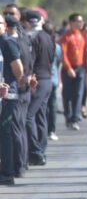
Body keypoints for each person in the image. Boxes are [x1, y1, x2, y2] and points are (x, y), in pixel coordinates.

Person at [24, 10, 54, 167]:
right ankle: (41, 151)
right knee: (41, 116)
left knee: (28, 116)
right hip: (47, 79)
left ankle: (36, 152)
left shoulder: (33, 38)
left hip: (38, 80)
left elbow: (30, 62)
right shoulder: (48, 36)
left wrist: (30, 78)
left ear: (28, 22)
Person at [1, 16, 24, 185]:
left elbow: (18, 69)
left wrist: (12, 86)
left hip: (8, 94)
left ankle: (8, 172)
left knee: (5, 133)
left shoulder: (7, 42)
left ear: (5, 26)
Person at [59, 13, 87, 130]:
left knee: (78, 93)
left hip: (80, 68)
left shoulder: (82, 36)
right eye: (78, 21)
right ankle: (68, 115)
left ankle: (75, 119)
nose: (81, 23)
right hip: (68, 69)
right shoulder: (66, 37)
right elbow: (63, 54)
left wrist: (86, 67)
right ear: (71, 22)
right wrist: (69, 68)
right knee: (67, 94)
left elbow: (85, 54)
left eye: (81, 21)